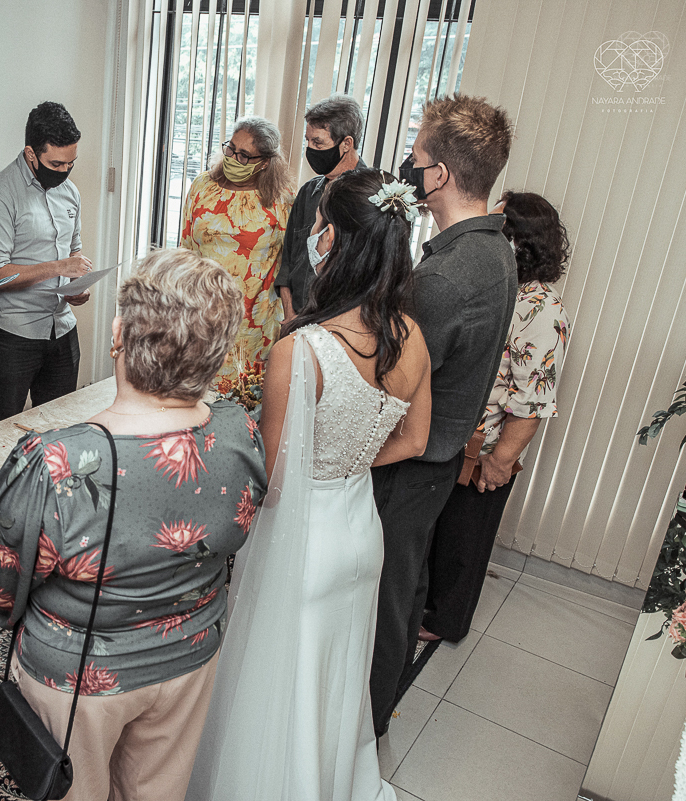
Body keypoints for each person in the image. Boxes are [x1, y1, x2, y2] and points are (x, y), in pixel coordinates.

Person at [0, 248, 268, 801]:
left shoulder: (56, 462)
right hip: (190, 654)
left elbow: (6, 572)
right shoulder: (239, 432)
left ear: (118, 335)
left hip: (82, 676)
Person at [187, 169, 431, 801]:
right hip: (359, 533)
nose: (313, 236)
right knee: (337, 673)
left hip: (302, 538)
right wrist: (345, 459)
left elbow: (272, 479)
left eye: (322, 225)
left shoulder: (302, 350)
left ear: (343, 242)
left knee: (277, 674)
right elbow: (414, 441)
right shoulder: (412, 340)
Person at [369, 94, 516, 737]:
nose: (410, 168)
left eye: (418, 159)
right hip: (442, 455)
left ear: (442, 175)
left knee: (385, 594)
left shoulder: (450, 273)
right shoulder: (496, 250)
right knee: (405, 583)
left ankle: (366, 718)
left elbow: (395, 384)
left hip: (413, 459)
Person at [422, 191, 572, 642]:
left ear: (518, 240)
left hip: (483, 451)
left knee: (463, 545)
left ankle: (445, 622)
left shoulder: (542, 308)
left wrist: (500, 460)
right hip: (454, 439)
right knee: (441, 538)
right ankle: (425, 609)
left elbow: (534, 398)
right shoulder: (502, 288)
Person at [0, 101, 93, 427]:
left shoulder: (70, 193)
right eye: (56, 163)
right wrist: (57, 269)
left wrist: (75, 291)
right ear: (30, 154)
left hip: (62, 329)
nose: (65, 171)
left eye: (71, 163)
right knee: (0, 430)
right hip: (12, 334)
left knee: (59, 426)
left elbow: (74, 255)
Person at [180, 116, 295, 392]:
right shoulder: (202, 187)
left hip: (254, 324)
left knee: (241, 406)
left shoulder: (283, 198)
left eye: (244, 156)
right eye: (231, 149)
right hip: (202, 315)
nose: (233, 158)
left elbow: (289, 262)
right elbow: (185, 249)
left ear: (265, 162)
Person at [275, 94, 370, 320]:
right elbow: (288, 259)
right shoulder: (308, 192)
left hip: (343, 324)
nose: (310, 149)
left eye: (318, 142)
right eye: (307, 141)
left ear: (347, 143)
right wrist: (289, 314)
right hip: (297, 316)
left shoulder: (372, 197)